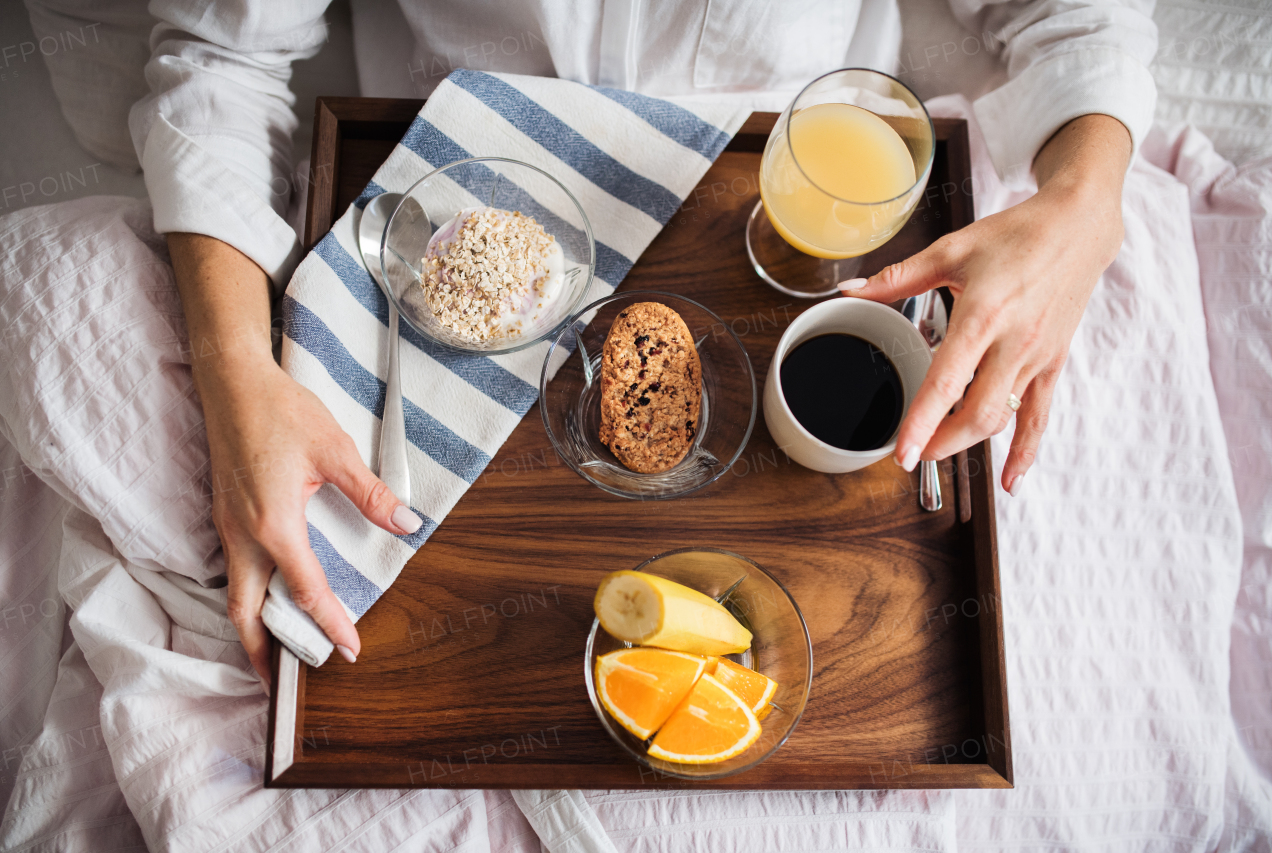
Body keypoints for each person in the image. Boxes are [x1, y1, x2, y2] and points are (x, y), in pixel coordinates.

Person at [129, 0, 1157, 683]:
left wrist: (1082, 204)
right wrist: (232, 368)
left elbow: (1079, 20)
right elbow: (217, 55)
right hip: (447, 172)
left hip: (779, 176)